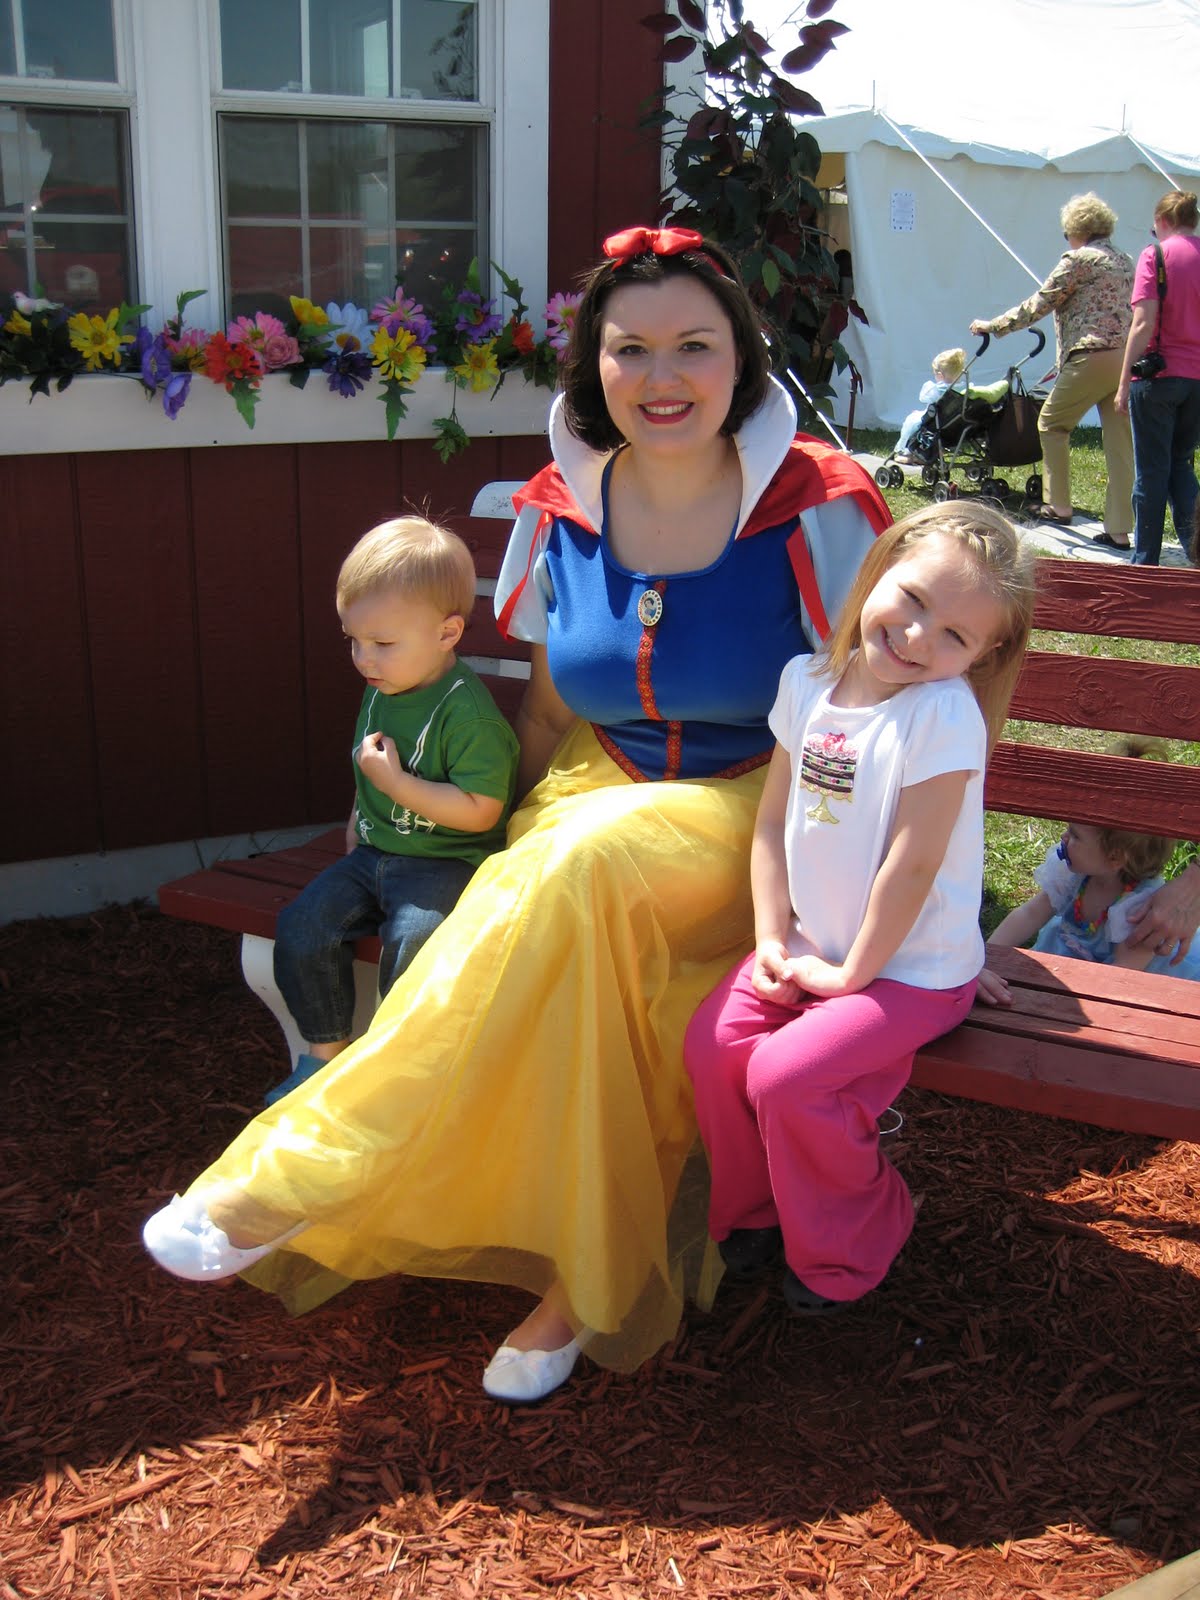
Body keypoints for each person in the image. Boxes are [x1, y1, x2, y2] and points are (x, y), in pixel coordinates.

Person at [141, 225, 891, 1404]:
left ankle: (297, 1173)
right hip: (593, 797)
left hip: (763, 808)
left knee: (578, 868)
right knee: (559, 912)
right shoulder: (561, 510)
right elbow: (546, 709)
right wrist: (478, 843)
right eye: (629, 348)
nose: (660, 376)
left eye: (693, 346)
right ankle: (580, 1280)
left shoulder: (823, 508)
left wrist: (920, 902)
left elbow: (913, 719)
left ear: (741, 360)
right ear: (594, 365)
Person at [683, 504, 1037, 1313]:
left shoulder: (941, 714)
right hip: (815, 944)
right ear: (880, 569)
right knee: (715, 1046)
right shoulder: (807, 683)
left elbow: (912, 869)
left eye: (953, 635)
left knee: (787, 1077)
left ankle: (858, 1234)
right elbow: (770, 824)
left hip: (911, 971)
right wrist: (772, 938)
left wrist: (850, 978)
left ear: (982, 656)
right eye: (912, 599)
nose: (916, 636)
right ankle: (757, 1210)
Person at [264, 516, 520, 1104]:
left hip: (446, 861)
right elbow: (368, 763)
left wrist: (397, 784)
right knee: (302, 926)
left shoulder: (469, 716)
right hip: (374, 854)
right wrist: (359, 816)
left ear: (447, 633)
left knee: (415, 941)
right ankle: (324, 1057)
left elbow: (481, 811)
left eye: (382, 644)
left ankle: (397, 1075)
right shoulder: (385, 687)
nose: (364, 658)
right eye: (354, 640)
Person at [970, 192, 1134, 547]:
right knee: (1119, 442)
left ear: (1077, 229)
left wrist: (993, 326)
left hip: (1090, 354)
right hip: (1124, 358)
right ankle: (1120, 529)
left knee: (1051, 423)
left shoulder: (1077, 260)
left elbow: (1038, 304)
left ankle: (1058, 505)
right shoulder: (1125, 261)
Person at [981, 740, 1200, 988]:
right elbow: (1030, 914)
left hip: (1134, 985)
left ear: (1115, 857)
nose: (1064, 837)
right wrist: (986, 958)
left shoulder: (1138, 911)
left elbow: (1123, 975)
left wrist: (1064, 1000)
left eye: (1075, 835)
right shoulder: (1075, 874)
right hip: (1086, 968)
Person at [1115, 190, 1200, 566]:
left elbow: (1143, 322)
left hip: (1159, 374)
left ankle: (1144, 561)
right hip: (1196, 378)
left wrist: (1123, 381)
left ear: (1162, 221)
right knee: (1180, 464)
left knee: (1151, 471)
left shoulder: (1156, 255)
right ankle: (1196, 549)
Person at [893, 347, 966, 461]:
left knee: (911, 421)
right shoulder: (963, 388)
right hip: (953, 424)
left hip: (936, 422)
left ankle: (905, 451)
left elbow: (923, 397)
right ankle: (932, 452)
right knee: (919, 416)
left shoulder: (939, 389)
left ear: (940, 375)